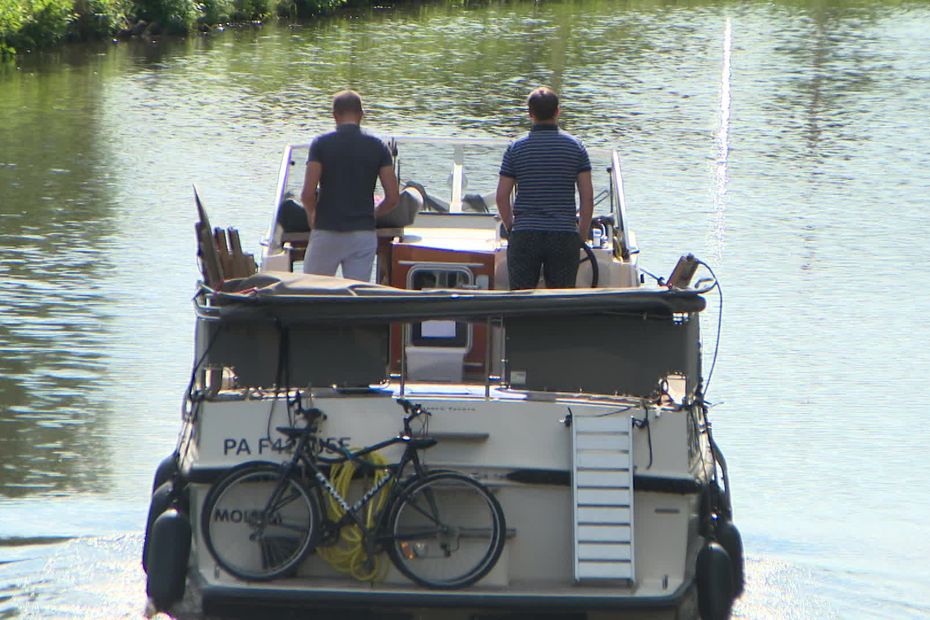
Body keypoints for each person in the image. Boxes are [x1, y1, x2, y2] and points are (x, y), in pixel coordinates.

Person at [496, 87, 594, 289]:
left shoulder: (516, 148)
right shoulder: (576, 147)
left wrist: (511, 228)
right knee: (559, 302)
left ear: (530, 114)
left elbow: (501, 197)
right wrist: (581, 236)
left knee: (520, 299)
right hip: (563, 235)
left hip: (525, 235)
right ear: (557, 111)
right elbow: (587, 199)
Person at [301, 90, 400, 281]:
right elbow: (393, 198)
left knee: (312, 291)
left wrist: (312, 214)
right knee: (355, 294)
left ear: (334, 115)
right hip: (362, 234)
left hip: (327, 230)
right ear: (361, 115)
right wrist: (373, 213)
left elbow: (307, 194)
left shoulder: (321, 145)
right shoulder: (378, 147)